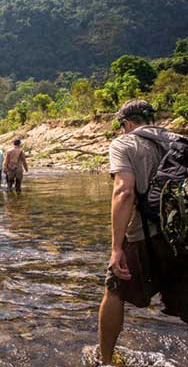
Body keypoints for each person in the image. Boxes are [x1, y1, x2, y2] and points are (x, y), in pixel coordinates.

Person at [98, 99, 188, 365]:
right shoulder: (180, 141)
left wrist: (116, 248)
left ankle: (105, 360)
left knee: (114, 289)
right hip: (182, 236)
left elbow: (124, 192)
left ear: (126, 124)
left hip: (142, 235)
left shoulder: (124, 144)